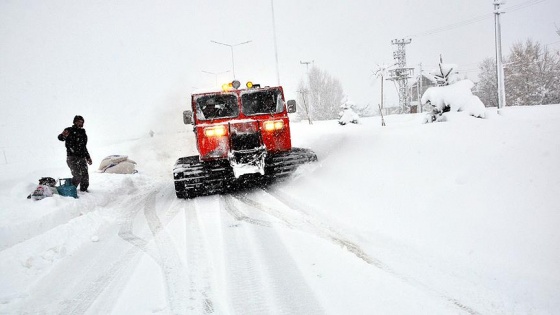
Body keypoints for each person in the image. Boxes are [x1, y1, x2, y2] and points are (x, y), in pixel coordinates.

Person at [58, 115, 92, 192]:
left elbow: (84, 147)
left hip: (82, 157)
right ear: (75, 122)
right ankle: (70, 190)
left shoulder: (83, 132)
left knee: (85, 175)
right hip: (72, 157)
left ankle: (84, 191)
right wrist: (62, 136)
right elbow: (60, 138)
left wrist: (88, 157)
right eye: (79, 122)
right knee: (77, 175)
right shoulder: (69, 130)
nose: (81, 123)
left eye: (82, 122)